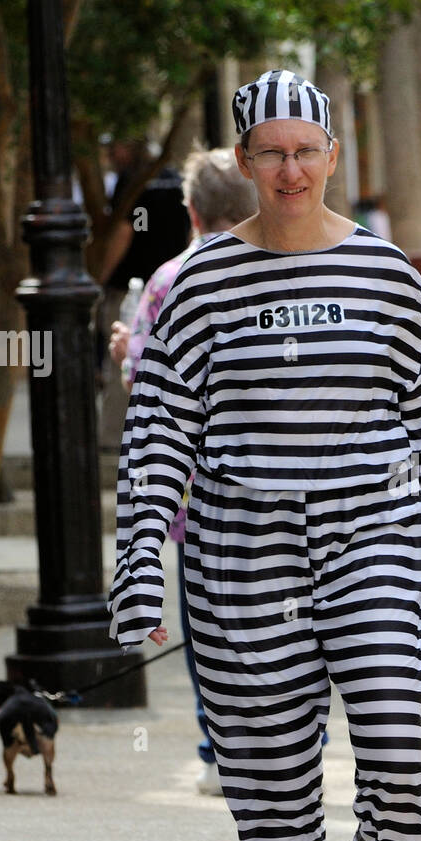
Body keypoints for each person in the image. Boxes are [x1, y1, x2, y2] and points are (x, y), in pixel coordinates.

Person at [108, 69, 421, 841]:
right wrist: (138, 568)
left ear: (331, 157)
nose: (288, 168)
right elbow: (156, 437)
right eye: (268, 151)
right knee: (272, 792)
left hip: (373, 542)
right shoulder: (194, 287)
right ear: (242, 161)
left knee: (398, 769)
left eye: (304, 150)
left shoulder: (388, 276)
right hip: (241, 557)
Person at [108, 145, 257, 796]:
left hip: (198, 496)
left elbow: (147, 381)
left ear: (191, 211)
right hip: (289, 487)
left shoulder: (171, 278)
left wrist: (124, 352)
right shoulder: (288, 266)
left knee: (209, 627)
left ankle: (219, 753)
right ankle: (300, 744)